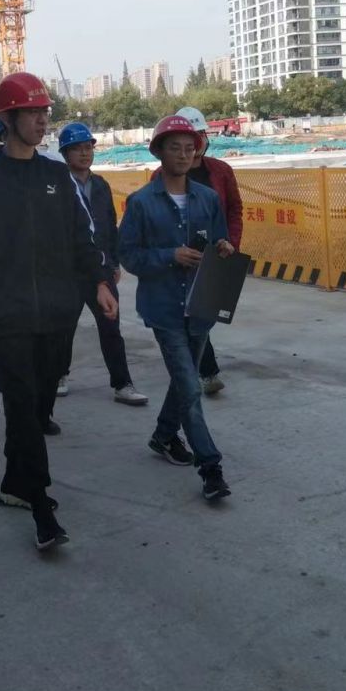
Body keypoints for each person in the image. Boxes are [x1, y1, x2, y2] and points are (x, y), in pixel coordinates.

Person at [0, 72, 116, 552]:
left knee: (38, 404)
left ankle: (14, 484)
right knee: (20, 403)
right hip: (5, 316)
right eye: (32, 113)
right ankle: (41, 507)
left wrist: (99, 280)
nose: (42, 121)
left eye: (44, 113)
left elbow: (82, 237)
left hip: (57, 312)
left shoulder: (56, 176)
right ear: (7, 118)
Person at [118, 113, 234, 502]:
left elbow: (219, 239)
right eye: (175, 148)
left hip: (201, 304)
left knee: (183, 382)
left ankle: (164, 435)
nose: (183, 155)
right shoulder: (140, 203)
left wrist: (224, 247)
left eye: (189, 148)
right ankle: (211, 467)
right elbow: (128, 255)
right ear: (158, 152)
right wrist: (170, 256)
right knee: (189, 386)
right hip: (164, 309)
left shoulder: (208, 199)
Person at [55, 121, 148, 406]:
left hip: (102, 270)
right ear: (65, 154)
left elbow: (109, 223)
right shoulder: (57, 187)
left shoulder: (101, 185)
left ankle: (123, 384)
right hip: (69, 272)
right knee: (64, 328)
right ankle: (59, 374)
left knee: (111, 328)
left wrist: (114, 262)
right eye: (77, 149)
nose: (85, 153)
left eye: (88, 148)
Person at [175, 106, 243, 396]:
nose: (197, 142)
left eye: (200, 135)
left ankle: (197, 365)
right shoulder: (163, 175)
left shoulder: (221, 171)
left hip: (216, 254)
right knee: (189, 315)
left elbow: (234, 209)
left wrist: (232, 243)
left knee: (207, 313)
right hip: (181, 259)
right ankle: (207, 372)